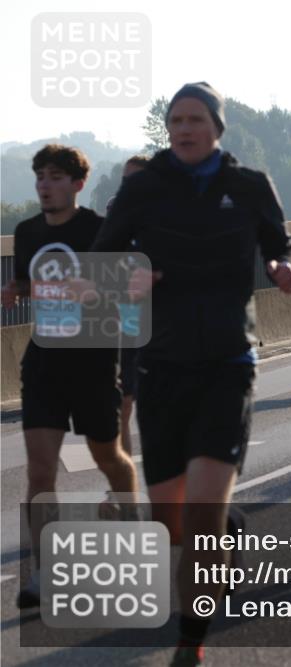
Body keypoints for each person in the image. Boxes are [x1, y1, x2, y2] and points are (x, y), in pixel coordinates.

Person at [91, 82, 291, 667]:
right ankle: (226, 531)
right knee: (172, 525)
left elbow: (280, 243)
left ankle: (191, 638)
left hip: (228, 365)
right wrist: (125, 278)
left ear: (216, 127)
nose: (183, 128)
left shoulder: (249, 186)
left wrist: (283, 266)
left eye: (194, 119)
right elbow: (101, 262)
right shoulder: (144, 188)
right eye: (175, 119)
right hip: (160, 369)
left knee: (201, 514)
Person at [1, 144, 139, 610]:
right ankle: (43, 572)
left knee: (109, 455)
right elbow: (27, 280)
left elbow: (130, 289)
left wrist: (97, 289)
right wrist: (14, 290)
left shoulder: (101, 231)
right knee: (40, 469)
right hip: (44, 361)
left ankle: (132, 521)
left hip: (94, 361)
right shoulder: (26, 232)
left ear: (78, 184)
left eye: (56, 176)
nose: (45, 184)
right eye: (40, 175)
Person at [106, 154, 150, 458]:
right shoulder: (113, 213)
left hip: (161, 327)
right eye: (125, 179)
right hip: (124, 324)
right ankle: (122, 490)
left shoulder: (165, 222)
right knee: (123, 405)